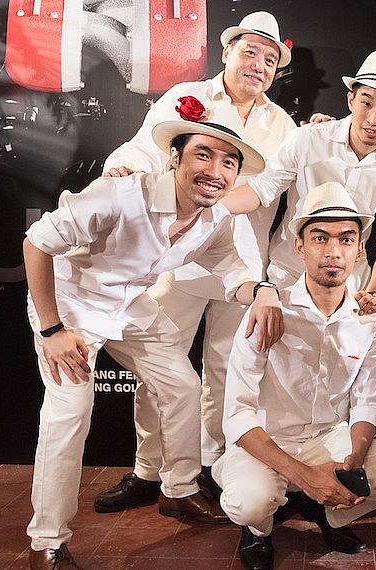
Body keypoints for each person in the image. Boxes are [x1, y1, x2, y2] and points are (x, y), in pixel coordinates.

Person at [23, 106, 282, 569]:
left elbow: (232, 274)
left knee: (182, 385)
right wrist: (53, 330)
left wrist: (263, 291)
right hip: (70, 304)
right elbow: (37, 242)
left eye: (228, 162)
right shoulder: (121, 195)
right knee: (70, 412)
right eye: (203, 155)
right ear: (174, 159)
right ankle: (46, 542)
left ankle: (179, 490)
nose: (215, 171)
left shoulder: (215, 220)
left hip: (129, 305)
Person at [94, 11, 297, 514]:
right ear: (227, 52)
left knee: (226, 372)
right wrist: (124, 169)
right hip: (178, 260)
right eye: (250, 52)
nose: (258, 65)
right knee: (160, 369)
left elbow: (287, 188)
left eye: (269, 59)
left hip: (241, 264)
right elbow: (146, 149)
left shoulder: (282, 123)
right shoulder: (188, 97)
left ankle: (203, 470)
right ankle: (148, 469)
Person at [215, 182, 376, 570]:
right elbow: (237, 414)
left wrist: (353, 460)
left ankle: (328, 512)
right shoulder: (268, 310)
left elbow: (369, 402)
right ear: (300, 247)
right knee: (248, 503)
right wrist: (305, 476)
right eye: (320, 238)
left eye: (346, 239)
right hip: (268, 439)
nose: (333, 251)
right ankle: (258, 529)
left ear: (360, 250)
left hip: (328, 438)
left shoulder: (368, 319)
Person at [221, 50, 376, 315]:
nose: (374, 119)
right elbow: (261, 189)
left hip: (352, 284)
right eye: (366, 102)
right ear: (350, 100)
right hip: (290, 274)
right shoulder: (308, 139)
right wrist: (203, 207)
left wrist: (374, 292)